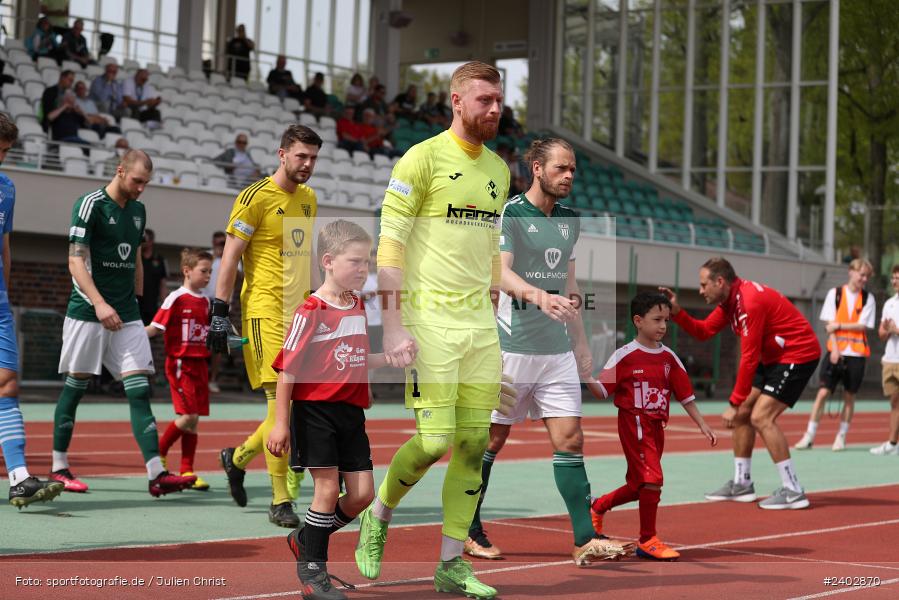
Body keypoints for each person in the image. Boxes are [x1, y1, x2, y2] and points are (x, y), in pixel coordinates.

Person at [354, 61, 511, 599]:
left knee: (473, 444)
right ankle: (378, 514)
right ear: (457, 101)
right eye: (484, 99)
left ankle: (450, 565)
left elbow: (491, 250)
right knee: (435, 440)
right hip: (428, 321)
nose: (494, 108)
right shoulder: (419, 159)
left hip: (479, 328)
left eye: (499, 99)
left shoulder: (499, 169)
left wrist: (494, 323)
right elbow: (390, 249)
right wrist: (393, 326)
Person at [461, 137, 632, 566]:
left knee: (571, 440)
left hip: (555, 352)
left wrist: (580, 345)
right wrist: (539, 296)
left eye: (573, 168)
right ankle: (468, 527)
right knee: (492, 440)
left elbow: (570, 289)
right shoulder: (512, 213)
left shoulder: (571, 219)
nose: (569, 175)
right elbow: (500, 273)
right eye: (561, 168)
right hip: (510, 348)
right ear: (537, 169)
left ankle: (583, 539)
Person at [267, 220, 407, 600]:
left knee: (362, 495)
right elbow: (287, 369)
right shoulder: (310, 310)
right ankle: (314, 575)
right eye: (356, 262)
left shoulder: (357, 304)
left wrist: (389, 358)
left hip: (350, 413)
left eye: (368, 262)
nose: (364, 270)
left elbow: (355, 359)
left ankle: (307, 539)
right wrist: (280, 424)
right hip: (315, 412)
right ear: (328, 261)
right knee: (327, 489)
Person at [49, 150, 196, 496]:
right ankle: (58, 466)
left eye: (146, 183)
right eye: (137, 181)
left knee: (140, 388)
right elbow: (75, 262)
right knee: (76, 387)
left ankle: (156, 474)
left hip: (127, 314)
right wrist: (100, 304)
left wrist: (138, 301)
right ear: (120, 171)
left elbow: (135, 260)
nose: (142, 189)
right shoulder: (90, 204)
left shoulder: (139, 211)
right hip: (88, 311)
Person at [207, 124, 323, 529]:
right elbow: (231, 256)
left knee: (294, 407)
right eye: (300, 157)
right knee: (280, 402)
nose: (307, 165)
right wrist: (219, 311)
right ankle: (280, 499)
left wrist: (317, 304)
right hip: (262, 312)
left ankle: (236, 459)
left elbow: (303, 257)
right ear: (282, 154)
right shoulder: (255, 196)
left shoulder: (309, 199)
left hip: (297, 315)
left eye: (312, 158)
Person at [660, 257, 820, 510]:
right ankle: (742, 483)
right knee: (745, 415)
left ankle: (793, 490)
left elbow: (748, 357)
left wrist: (734, 402)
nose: (701, 291)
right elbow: (703, 331)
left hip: (797, 354)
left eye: (704, 285)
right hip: (772, 357)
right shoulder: (730, 302)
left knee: (761, 417)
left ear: (720, 281)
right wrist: (677, 312)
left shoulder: (748, 301)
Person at [588, 292, 717, 561]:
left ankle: (598, 507)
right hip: (634, 423)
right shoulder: (624, 356)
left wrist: (703, 424)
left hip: (657, 427)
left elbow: (686, 396)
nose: (663, 326)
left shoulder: (669, 357)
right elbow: (601, 391)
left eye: (666, 320)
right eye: (656, 319)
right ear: (638, 321)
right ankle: (647, 540)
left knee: (640, 485)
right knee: (652, 479)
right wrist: (583, 373)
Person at [0, 114, 66, 509]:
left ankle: (19, 477)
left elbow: (4, 246)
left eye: (6, 151)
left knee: (8, 382)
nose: (3, 158)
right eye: (0, 149)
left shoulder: (7, 188)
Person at [146, 249, 214, 491]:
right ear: (187, 271)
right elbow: (155, 327)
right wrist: (130, 336)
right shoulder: (175, 297)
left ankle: (187, 470)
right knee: (188, 417)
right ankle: (159, 454)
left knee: (194, 422)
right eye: (203, 271)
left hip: (200, 364)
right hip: (180, 364)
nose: (208, 276)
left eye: (210, 272)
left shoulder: (206, 301)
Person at [795, 259, 876, 451]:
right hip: (835, 352)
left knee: (850, 396)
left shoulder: (868, 298)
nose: (863, 279)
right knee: (822, 393)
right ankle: (809, 435)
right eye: (861, 274)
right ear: (851, 272)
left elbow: (862, 325)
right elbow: (829, 325)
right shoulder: (835, 294)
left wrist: (839, 326)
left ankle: (841, 436)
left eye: (866, 276)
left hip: (856, 355)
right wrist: (836, 350)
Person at [871, 265, 899, 456]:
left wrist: (896, 330)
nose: (895, 281)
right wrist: (886, 331)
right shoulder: (889, 303)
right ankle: (892, 443)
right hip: (890, 360)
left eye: (898, 278)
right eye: (893, 278)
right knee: (895, 403)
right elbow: (881, 333)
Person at [203, 231, 231, 393]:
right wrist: (214, 257)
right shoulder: (208, 256)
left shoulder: (231, 255)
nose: (220, 246)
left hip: (222, 305)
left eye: (223, 243)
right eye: (218, 243)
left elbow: (239, 276)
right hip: (205, 302)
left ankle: (212, 379)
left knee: (218, 344)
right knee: (200, 339)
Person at [139, 228, 168, 326]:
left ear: (151, 241)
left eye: (144, 240)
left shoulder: (159, 259)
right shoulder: (136, 257)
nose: (141, 242)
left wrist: (164, 303)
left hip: (152, 304)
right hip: (137, 303)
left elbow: (162, 283)